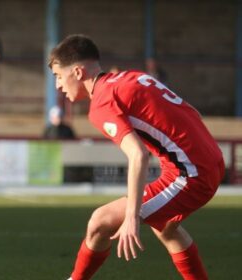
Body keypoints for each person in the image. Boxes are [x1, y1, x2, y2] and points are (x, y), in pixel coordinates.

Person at [48, 34, 224, 280]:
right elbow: (190, 111)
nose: (57, 85)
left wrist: (132, 216)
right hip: (210, 160)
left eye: (58, 76)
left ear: (77, 72)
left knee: (100, 221)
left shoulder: (101, 103)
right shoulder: (132, 77)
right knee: (166, 228)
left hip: (192, 174)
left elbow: (138, 154)